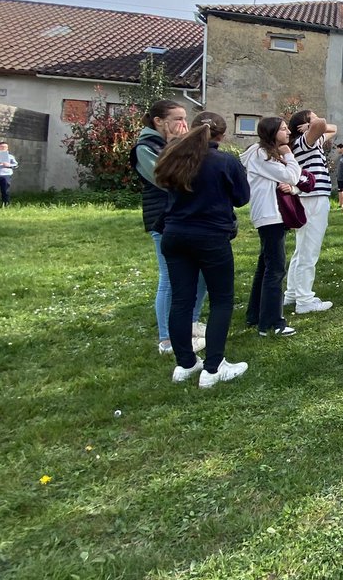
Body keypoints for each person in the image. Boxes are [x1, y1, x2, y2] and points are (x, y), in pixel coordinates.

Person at [155, 112, 251, 388]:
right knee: (221, 298)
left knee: (181, 300)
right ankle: (214, 366)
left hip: (174, 233)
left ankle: (185, 363)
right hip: (210, 236)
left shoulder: (174, 155)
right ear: (221, 136)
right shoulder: (224, 161)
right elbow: (242, 198)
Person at [129, 101, 206, 356]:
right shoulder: (145, 147)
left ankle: (190, 322)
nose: (182, 124)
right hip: (163, 219)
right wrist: (178, 145)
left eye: (185, 118)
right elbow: (169, 179)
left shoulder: (171, 143)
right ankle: (166, 338)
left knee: (202, 274)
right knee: (170, 279)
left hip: (188, 217)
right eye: (177, 118)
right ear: (158, 121)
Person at [241, 117, 303, 337]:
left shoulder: (262, 154)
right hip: (270, 216)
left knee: (265, 266)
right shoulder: (261, 154)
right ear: (272, 132)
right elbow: (292, 175)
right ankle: (271, 323)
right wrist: (288, 155)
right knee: (275, 269)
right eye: (283, 129)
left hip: (270, 215)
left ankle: (255, 314)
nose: (288, 132)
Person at [284, 108, 337, 314]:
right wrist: (314, 125)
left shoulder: (309, 141)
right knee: (309, 251)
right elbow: (324, 123)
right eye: (312, 118)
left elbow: (332, 128)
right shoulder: (304, 142)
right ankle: (305, 300)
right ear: (303, 126)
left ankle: (292, 293)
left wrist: (315, 125)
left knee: (301, 249)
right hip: (313, 199)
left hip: (309, 198)